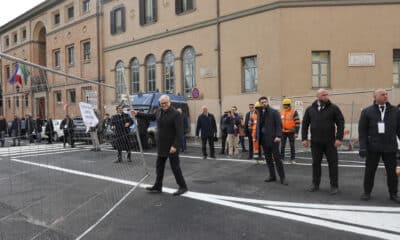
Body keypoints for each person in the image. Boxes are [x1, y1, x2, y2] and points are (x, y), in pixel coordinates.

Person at [132, 95, 188, 196]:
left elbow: (180, 133)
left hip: (171, 147)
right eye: (162, 103)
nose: (164, 105)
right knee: (159, 167)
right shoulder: (158, 111)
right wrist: (137, 114)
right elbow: (150, 116)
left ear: (169, 102)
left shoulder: (176, 114)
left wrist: (175, 146)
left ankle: (183, 187)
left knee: (175, 168)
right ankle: (158, 186)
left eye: (165, 103)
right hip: (161, 146)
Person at [358, 89, 400, 203]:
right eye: (382, 94)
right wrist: (362, 147)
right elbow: (362, 131)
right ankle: (367, 192)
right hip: (373, 147)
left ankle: (393, 194)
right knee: (370, 171)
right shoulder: (367, 112)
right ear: (375, 97)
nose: (385, 96)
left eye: (386, 94)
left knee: (392, 173)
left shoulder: (396, 111)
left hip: (390, 147)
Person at [301, 88, 344, 195]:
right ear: (318, 96)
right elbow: (305, 124)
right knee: (316, 164)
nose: (326, 96)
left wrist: (339, 138)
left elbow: (340, 123)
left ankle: (334, 186)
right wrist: (304, 138)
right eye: (324, 95)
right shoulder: (310, 109)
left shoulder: (334, 108)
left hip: (330, 142)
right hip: (316, 142)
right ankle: (315, 184)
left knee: (333, 164)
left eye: (327, 95)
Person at [257, 96, 288, 185]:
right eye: (262, 102)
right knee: (268, 159)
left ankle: (283, 177)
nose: (264, 103)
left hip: (273, 139)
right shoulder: (259, 112)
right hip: (264, 140)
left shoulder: (274, 112)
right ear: (260, 103)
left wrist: (278, 136)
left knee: (277, 159)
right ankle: (272, 176)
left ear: (267, 102)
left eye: (265, 102)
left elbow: (279, 125)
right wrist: (257, 137)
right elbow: (259, 126)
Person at [280, 98, 301, 164]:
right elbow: (279, 122)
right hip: (283, 132)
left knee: (292, 146)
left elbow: (297, 122)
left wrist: (296, 132)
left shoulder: (294, 112)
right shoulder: (281, 111)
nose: (285, 106)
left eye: (286, 105)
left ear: (289, 105)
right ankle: (282, 158)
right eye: (284, 105)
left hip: (291, 132)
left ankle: (293, 159)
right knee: (282, 145)